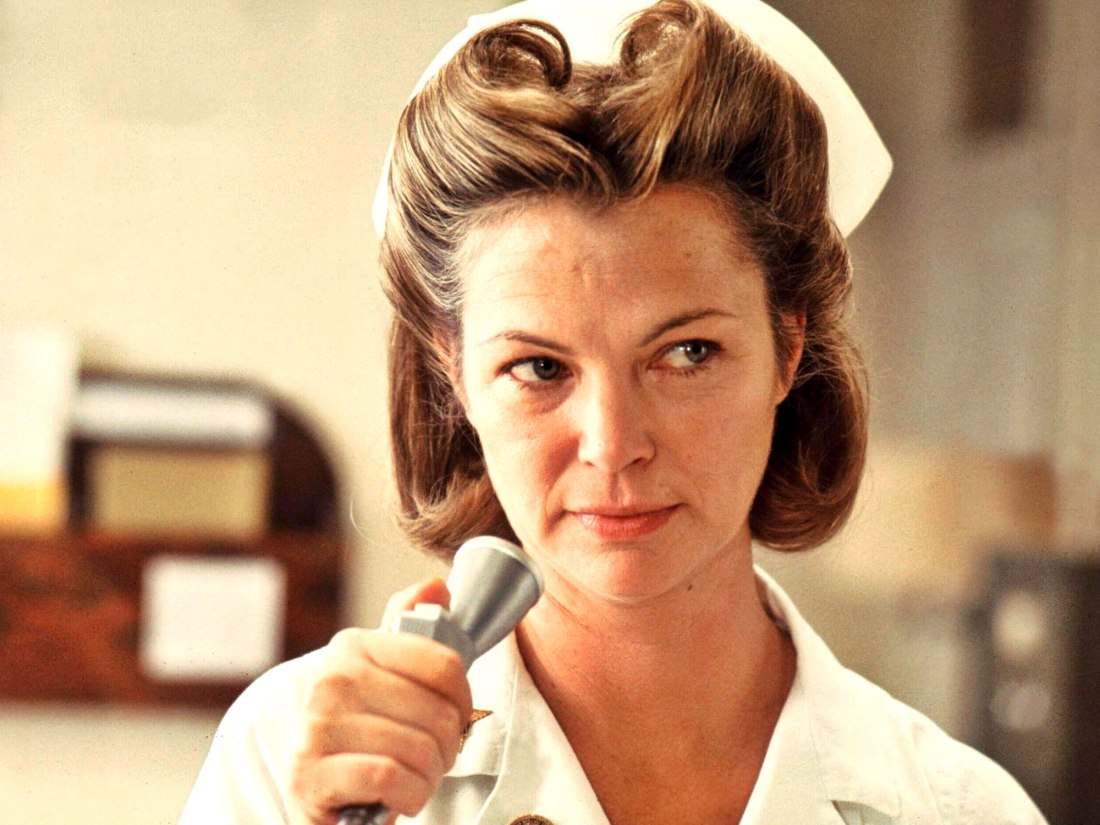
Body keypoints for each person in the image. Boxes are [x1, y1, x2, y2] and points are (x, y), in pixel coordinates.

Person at [181, 1, 1048, 823]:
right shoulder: (286, 764)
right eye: (539, 367)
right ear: (455, 374)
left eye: (687, 353)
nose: (614, 443)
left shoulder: (960, 809)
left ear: (789, 346)